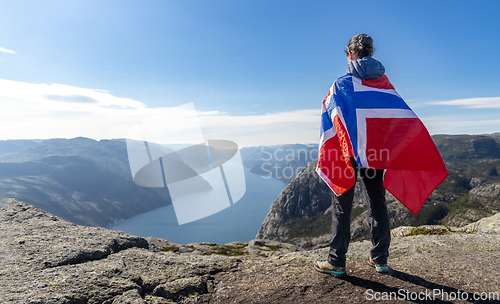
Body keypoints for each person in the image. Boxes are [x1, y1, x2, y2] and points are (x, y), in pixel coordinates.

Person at [314, 33, 392, 278]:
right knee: (377, 203)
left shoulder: (341, 84)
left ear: (349, 54)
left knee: (342, 206)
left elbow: (332, 119)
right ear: (371, 53)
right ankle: (379, 259)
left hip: (348, 154)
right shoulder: (385, 84)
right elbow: (392, 119)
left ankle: (336, 262)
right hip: (375, 153)